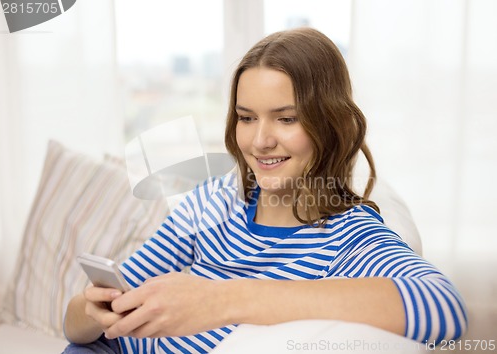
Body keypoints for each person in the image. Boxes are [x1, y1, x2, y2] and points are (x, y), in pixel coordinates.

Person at [63, 27, 467, 353]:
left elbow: (443, 309)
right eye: (246, 117)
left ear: (330, 124)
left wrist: (220, 301)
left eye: (286, 119)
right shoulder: (212, 201)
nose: (259, 141)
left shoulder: (349, 236)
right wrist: (92, 308)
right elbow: (78, 326)